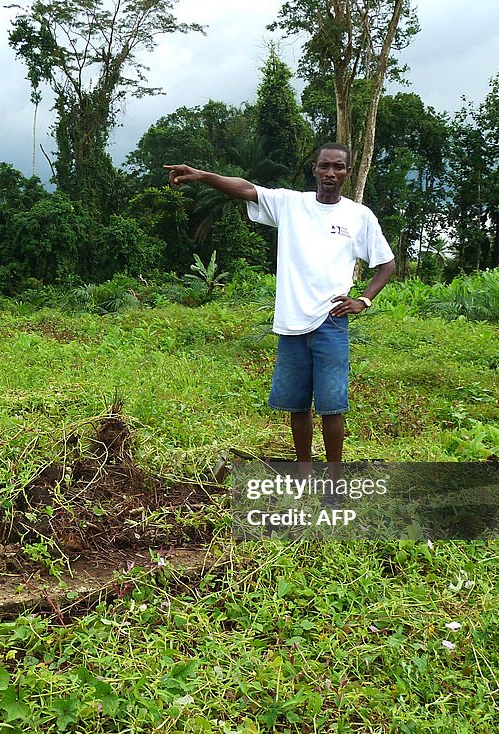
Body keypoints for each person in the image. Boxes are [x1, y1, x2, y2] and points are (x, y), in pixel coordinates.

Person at [165, 143, 395, 486]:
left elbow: (386, 264)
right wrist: (203, 176)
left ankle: (333, 483)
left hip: (332, 322)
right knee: (298, 406)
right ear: (314, 170)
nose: (331, 173)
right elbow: (246, 188)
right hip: (291, 324)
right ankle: (304, 476)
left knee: (333, 407)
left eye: (338, 167)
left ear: (347, 173)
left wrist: (363, 300)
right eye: (325, 166)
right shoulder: (291, 204)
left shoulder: (358, 216)